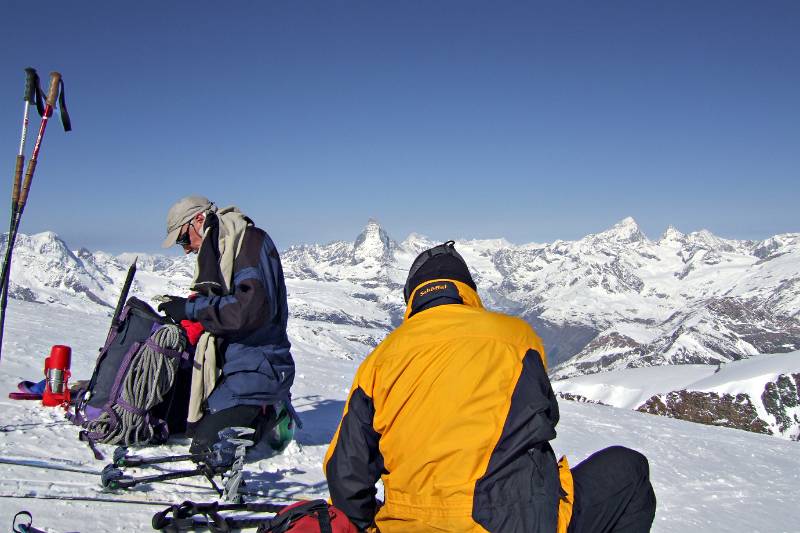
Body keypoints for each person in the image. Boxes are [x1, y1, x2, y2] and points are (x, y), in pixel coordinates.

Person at [324, 241, 656, 532]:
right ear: (466, 290)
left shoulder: (379, 361)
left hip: (409, 525)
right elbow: (546, 417)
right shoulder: (517, 337)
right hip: (510, 520)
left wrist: (370, 526)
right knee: (629, 468)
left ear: (412, 297)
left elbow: (345, 474)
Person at [159, 195, 296, 453]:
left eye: (183, 239)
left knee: (208, 448)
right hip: (235, 365)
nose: (186, 249)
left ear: (199, 220)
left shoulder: (250, 243)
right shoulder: (224, 247)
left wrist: (192, 309)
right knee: (175, 420)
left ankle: (270, 412)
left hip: (260, 368)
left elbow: (250, 310)